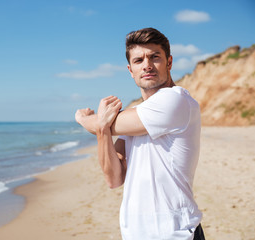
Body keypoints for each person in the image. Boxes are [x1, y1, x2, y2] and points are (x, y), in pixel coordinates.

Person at [75, 27, 205, 240]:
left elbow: (102, 122)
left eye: (155, 57)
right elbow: (114, 179)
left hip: (174, 234)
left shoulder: (175, 100)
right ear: (130, 70)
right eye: (138, 60)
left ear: (169, 62)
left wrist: (82, 118)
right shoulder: (139, 116)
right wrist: (101, 130)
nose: (147, 65)